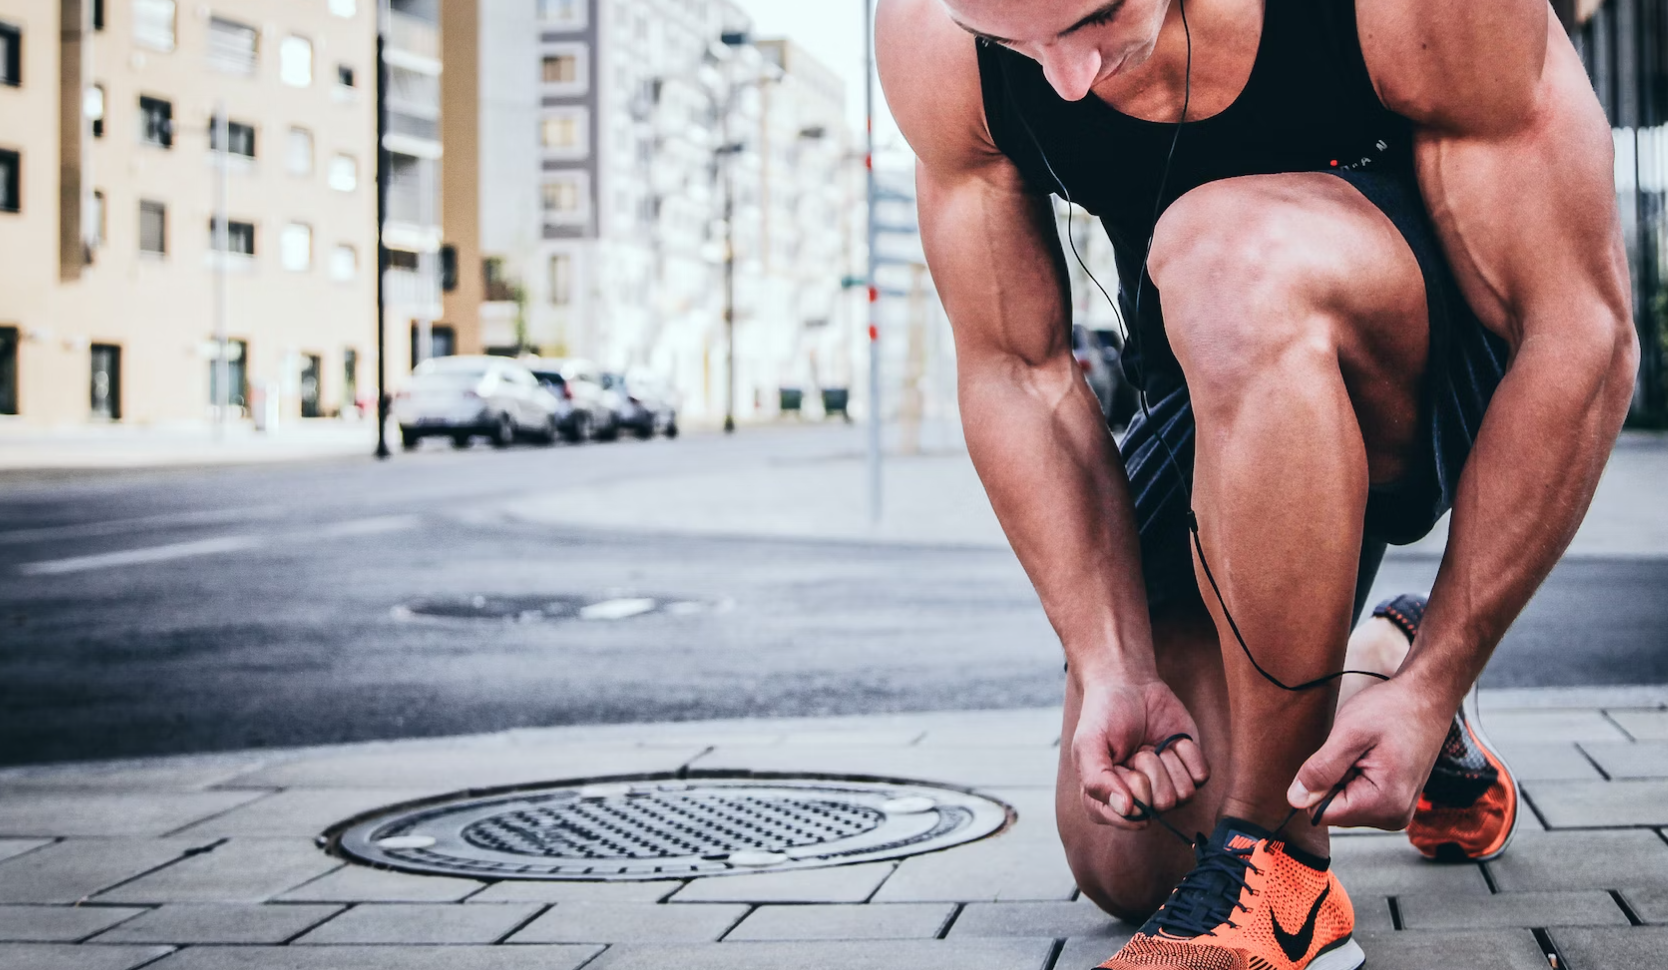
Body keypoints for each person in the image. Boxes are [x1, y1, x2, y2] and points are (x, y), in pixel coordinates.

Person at [875, 0, 1638, 967]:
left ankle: (1282, 877)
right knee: (1128, 854)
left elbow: (1584, 331)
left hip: (1428, 363)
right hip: (1212, 384)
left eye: (1095, 18)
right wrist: (1112, 661)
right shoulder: (931, 35)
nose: (1067, 80)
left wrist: (1445, 675)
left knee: (1226, 253)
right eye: (1016, 45)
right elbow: (1015, 373)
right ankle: (1375, 665)